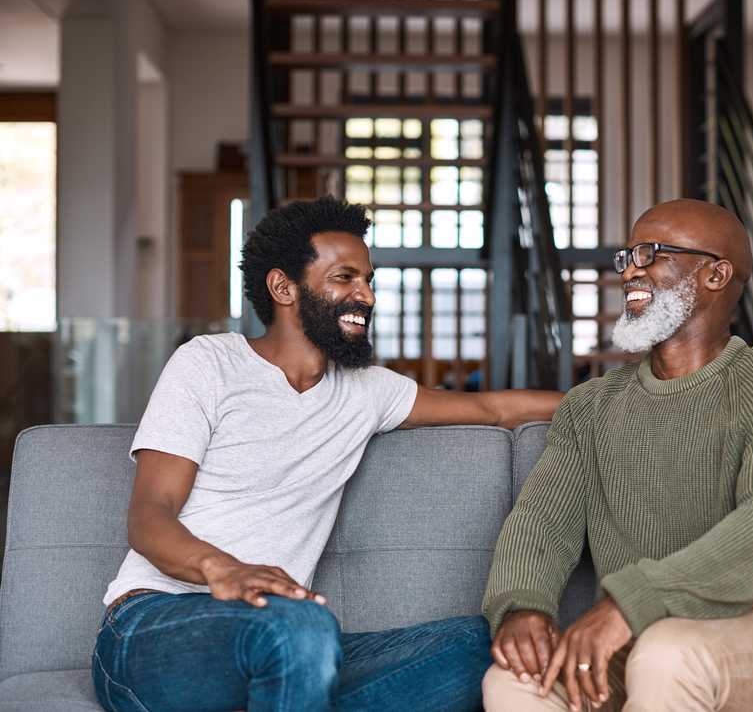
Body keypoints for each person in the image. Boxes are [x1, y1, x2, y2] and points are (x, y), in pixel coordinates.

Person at [92, 197, 563, 712]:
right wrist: (221, 568)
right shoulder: (209, 363)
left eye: (368, 280)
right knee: (301, 627)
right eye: (344, 278)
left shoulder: (366, 391)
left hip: (288, 639)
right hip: (156, 626)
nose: (366, 295)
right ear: (283, 287)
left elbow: (494, 409)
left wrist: (621, 392)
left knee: (485, 642)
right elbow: (149, 513)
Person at [482, 199, 753, 712]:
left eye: (652, 253)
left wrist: (629, 603)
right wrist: (522, 606)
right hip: (640, 639)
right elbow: (542, 523)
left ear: (716, 274)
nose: (631, 268)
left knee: (668, 655)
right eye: (628, 256)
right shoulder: (591, 407)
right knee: (513, 682)